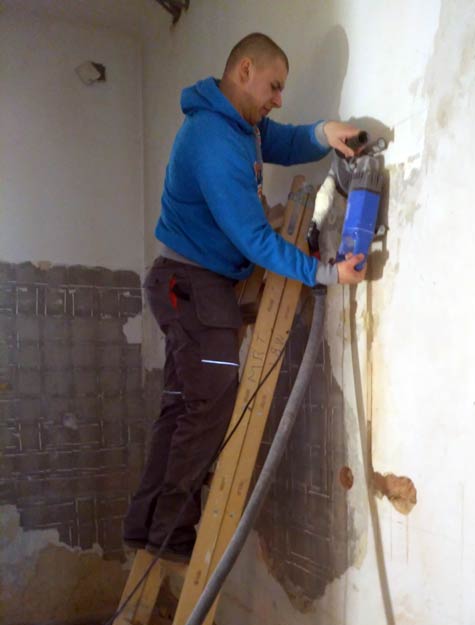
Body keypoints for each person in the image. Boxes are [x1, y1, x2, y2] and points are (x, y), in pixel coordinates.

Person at [123, 33, 366, 562]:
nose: (278, 98)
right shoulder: (213, 140)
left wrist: (324, 132)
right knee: (209, 405)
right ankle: (172, 533)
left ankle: (147, 525)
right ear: (245, 70)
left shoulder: (242, 127)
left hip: (189, 282)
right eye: (274, 86)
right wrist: (325, 273)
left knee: (181, 407)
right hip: (192, 284)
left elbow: (283, 142)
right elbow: (254, 239)